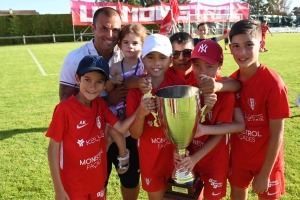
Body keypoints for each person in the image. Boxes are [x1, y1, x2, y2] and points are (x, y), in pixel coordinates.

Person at [59, 7, 140, 200]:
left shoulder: (126, 52)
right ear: (93, 28)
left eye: (115, 30)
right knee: (96, 184)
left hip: (125, 129)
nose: (110, 35)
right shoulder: (75, 58)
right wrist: (107, 100)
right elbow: (66, 100)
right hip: (91, 136)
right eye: (104, 28)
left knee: (130, 180)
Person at [46, 55, 151, 200]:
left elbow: (119, 128)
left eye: (99, 82)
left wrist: (140, 111)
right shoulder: (64, 109)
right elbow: (52, 148)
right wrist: (58, 189)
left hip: (97, 180)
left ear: (105, 84)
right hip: (73, 184)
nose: (92, 86)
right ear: (77, 78)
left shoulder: (100, 104)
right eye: (87, 79)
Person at [228, 19, 290, 200]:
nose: (242, 52)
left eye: (249, 45)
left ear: (261, 44)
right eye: (236, 46)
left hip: (267, 163)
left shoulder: (273, 83)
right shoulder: (232, 82)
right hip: (240, 159)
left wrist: (264, 173)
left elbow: (277, 133)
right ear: (230, 48)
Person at [174, 40, 239, 200]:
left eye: (209, 66)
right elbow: (181, 124)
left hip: (215, 161)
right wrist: (178, 148)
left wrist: (196, 158)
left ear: (220, 66)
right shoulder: (187, 88)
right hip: (190, 157)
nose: (202, 71)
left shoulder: (225, 94)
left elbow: (220, 132)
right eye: (197, 65)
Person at [126, 34, 187, 200]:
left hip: (175, 158)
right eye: (151, 57)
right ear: (143, 59)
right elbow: (135, 134)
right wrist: (140, 113)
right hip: (150, 161)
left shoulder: (178, 84)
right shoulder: (135, 92)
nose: (156, 63)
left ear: (170, 60)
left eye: (162, 57)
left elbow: (185, 123)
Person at [105, 23, 148, 175]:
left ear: (142, 44)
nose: (130, 46)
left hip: (135, 107)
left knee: (117, 131)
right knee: (111, 131)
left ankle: (123, 155)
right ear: (120, 45)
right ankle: (122, 154)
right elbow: (108, 91)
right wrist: (112, 81)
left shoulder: (145, 65)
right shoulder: (116, 67)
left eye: (135, 43)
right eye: (126, 42)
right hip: (119, 108)